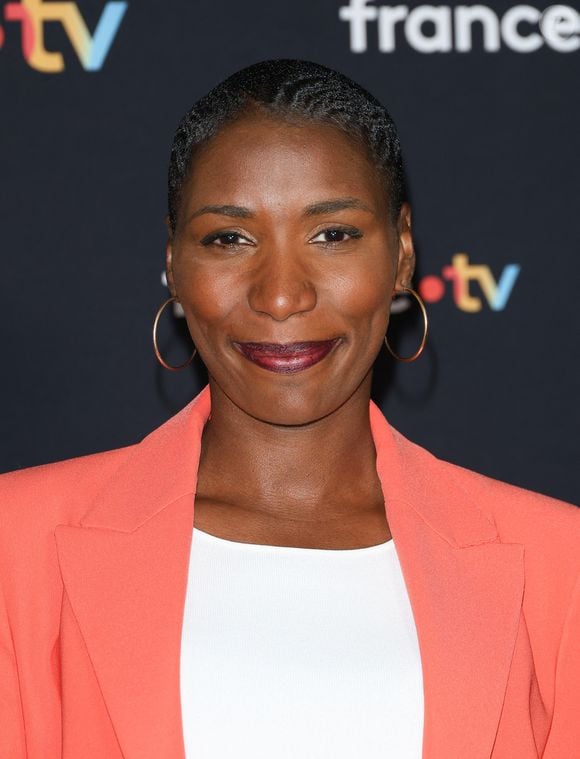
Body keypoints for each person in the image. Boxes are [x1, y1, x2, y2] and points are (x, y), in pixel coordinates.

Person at [0, 59, 578, 759]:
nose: (281, 296)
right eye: (229, 238)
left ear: (401, 253)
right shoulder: (18, 544)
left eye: (332, 234)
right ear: (175, 263)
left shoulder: (559, 566)